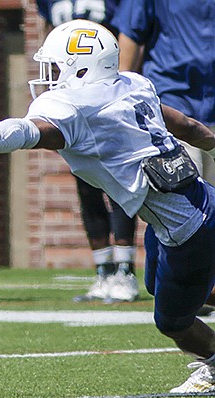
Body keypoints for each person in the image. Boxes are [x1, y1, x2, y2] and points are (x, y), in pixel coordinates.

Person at [0, 19, 215, 394]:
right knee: (158, 284)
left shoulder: (77, 106)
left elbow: (25, 132)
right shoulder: (134, 84)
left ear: (83, 67)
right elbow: (186, 125)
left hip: (186, 229)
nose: (48, 76)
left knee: (173, 321)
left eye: (56, 66)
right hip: (199, 203)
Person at [111, 0, 215, 315]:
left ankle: (197, 291)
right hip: (172, 104)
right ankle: (173, 286)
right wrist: (119, 101)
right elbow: (130, 36)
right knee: (178, 207)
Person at [36, 0, 139, 303]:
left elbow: (128, 35)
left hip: (106, 92)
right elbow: (48, 38)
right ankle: (103, 271)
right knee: (87, 186)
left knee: (119, 184)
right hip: (72, 93)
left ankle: (125, 270)